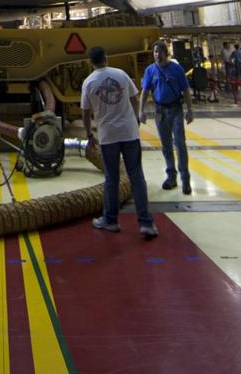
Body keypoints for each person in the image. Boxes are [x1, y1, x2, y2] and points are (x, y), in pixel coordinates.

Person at [81, 47, 157, 238]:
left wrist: (90, 134)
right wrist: (134, 120)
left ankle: (111, 220)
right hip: (130, 133)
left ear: (91, 62)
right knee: (137, 177)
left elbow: (85, 112)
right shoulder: (121, 75)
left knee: (111, 179)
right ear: (106, 58)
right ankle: (146, 223)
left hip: (108, 136)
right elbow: (134, 99)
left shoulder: (88, 82)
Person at [139, 40, 193, 195]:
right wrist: (140, 111)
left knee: (180, 144)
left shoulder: (176, 69)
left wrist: (190, 110)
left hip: (175, 110)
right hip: (160, 111)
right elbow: (145, 92)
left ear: (165, 53)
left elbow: (186, 90)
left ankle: (185, 178)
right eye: (155, 52)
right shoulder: (150, 70)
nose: (157, 55)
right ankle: (171, 177)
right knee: (166, 145)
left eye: (160, 52)